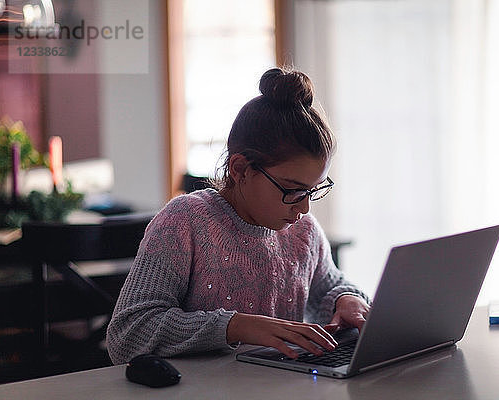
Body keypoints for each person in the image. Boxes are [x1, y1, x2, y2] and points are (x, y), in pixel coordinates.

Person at [106, 67, 370, 365]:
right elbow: (127, 335)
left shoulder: (303, 231)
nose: (305, 208)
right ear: (241, 169)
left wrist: (346, 300)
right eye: (292, 190)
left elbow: (330, 286)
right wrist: (235, 326)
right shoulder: (185, 221)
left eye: (313, 190)